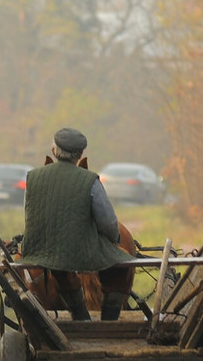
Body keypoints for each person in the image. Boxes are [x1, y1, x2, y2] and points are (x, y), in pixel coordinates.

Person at [19, 127, 133, 321]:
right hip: (81, 253)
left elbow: (30, 214)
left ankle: (79, 314)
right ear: (80, 154)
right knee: (122, 265)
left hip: (39, 251)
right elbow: (108, 223)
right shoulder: (90, 181)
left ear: (54, 152)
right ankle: (109, 320)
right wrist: (113, 240)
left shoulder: (33, 178)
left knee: (60, 268)